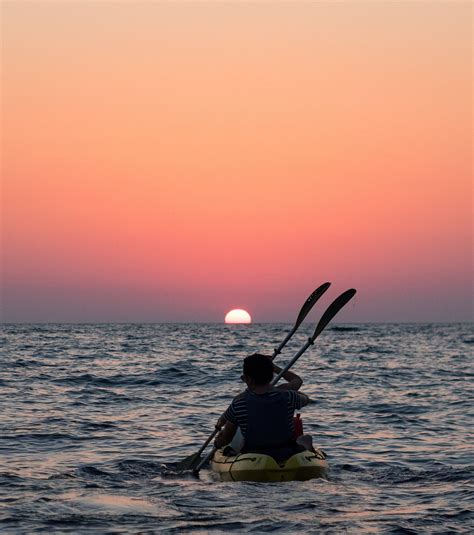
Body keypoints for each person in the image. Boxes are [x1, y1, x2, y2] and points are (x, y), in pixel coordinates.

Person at [214, 353, 314, 461]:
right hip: (287, 452)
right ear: (271, 376)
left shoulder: (239, 403)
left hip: (253, 454)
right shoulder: (289, 396)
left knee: (232, 446)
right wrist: (275, 368)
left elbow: (226, 438)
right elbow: (300, 388)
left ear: (248, 379)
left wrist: (217, 443)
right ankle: (305, 445)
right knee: (304, 439)